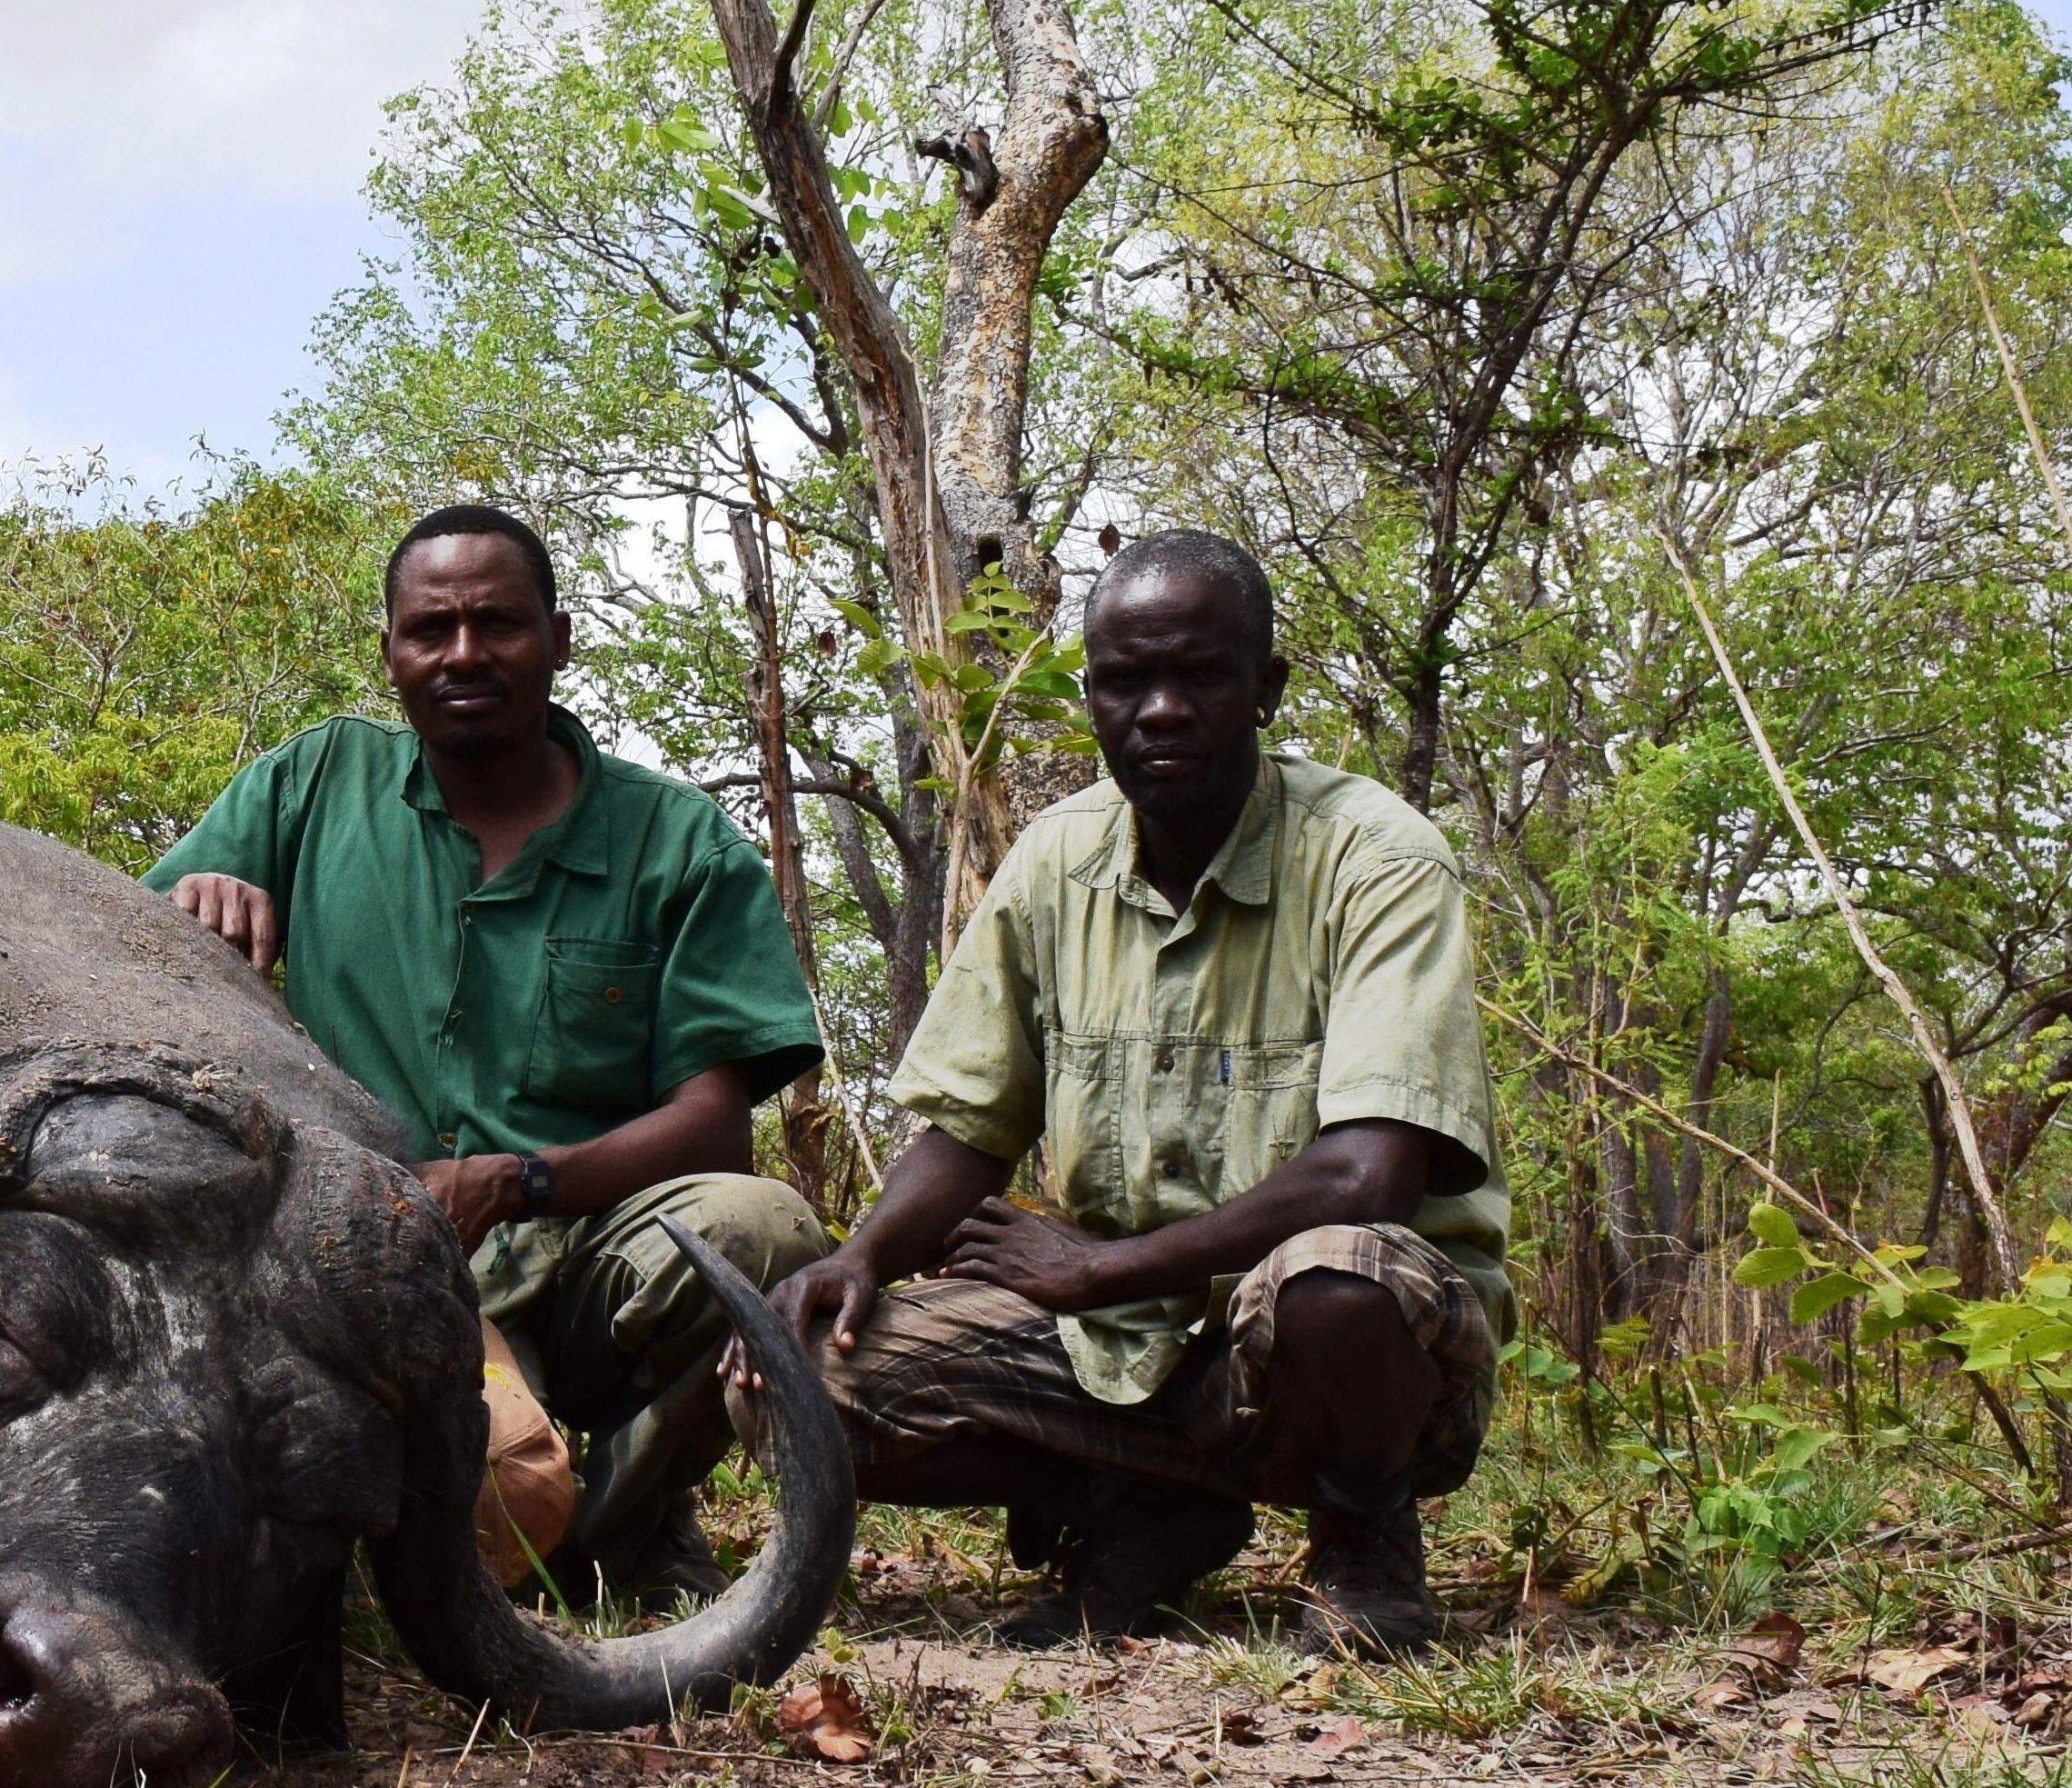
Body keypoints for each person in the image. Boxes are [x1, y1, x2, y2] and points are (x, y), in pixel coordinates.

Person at [756, 530, 1509, 1656]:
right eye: (1124, 680)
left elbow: (1371, 1174)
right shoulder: (1058, 860)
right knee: (796, 1370)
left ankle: (1365, 1551)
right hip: (1116, 1337)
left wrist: (1096, 1267)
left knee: (1338, 1281)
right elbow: (967, 1129)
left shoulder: (1375, 856)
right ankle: (1144, 1509)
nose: (1159, 709)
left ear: (1266, 689)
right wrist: (859, 1258)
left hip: (1334, 1344)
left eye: (1199, 675)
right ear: (1093, 697)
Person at [154, 503, 830, 1593]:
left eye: (498, 623)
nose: (464, 653)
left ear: (558, 641)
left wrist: (513, 1181)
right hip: (353, 1253)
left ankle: (618, 1513)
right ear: (391, 654)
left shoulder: (677, 841)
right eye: (433, 629)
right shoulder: (311, 783)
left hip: (578, 1244)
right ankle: (510, 1518)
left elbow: (713, 1121)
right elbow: (139, 956)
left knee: (764, 1229)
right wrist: (199, 897)